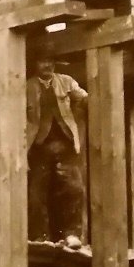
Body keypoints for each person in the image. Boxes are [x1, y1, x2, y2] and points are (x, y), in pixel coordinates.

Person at [26, 53, 87, 241]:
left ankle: (72, 234)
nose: (47, 65)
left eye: (50, 61)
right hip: (39, 147)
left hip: (65, 145)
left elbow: (83, 98)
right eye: (43, 61)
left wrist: (90, 98)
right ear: (35, 63)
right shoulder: (27, 87)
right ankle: (40, 236)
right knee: (36, 194)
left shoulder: (66, 81)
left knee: (74, 189)